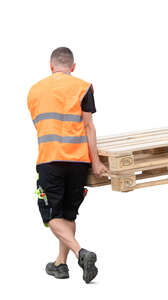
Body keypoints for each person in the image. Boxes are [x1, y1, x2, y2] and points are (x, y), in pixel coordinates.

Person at [27, 47, 108, 282]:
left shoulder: (35, 90)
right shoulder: (83, 87)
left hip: (50, 159)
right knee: (68, 214)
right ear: (73, 67)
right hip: (78, 161)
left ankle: (80, 252)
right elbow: (89, 127)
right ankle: (60, 264)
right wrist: (96, 163)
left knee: (51, 215)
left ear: (51, 66)